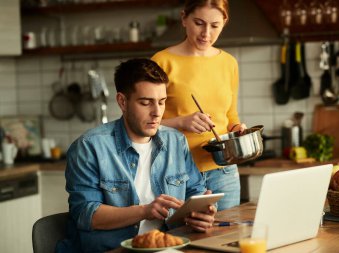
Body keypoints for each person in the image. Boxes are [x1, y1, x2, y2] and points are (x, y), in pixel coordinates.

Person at [56, 58, 216, 253]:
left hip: (169, 246)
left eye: (162, 102)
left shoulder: (176, 141)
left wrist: (202, 213)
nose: (157, 113)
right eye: (146, 103)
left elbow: (194, 192)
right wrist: (145, 211)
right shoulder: (89, 147)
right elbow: (86, 214)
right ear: (122, 102)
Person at [152, 0, 247, 211]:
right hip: (177, 173)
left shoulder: (229, 63)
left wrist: (236, 130)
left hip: (224, 171)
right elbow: (145, 124)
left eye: (215, 26)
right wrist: (181, 122)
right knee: (184, 238)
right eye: (199, 23)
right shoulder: (162, 62)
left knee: (226, 238)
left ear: (224, 22)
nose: (206, 33)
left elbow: (230, 116)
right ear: (184, 18)